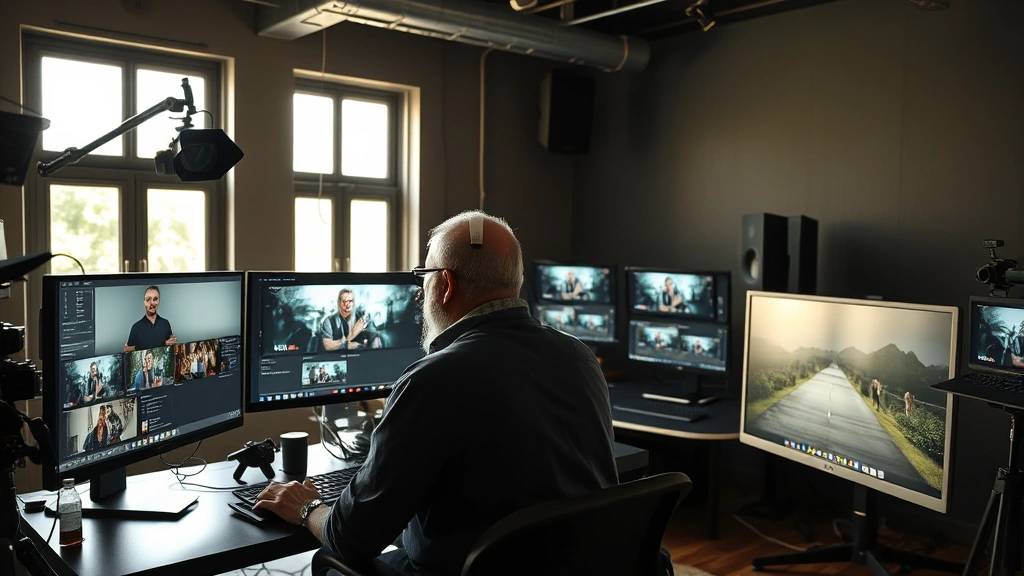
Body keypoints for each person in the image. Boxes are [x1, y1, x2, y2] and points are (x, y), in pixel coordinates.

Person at [254, 211, 618, 575]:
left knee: (328, 560)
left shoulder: (431, 380)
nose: (421, 290)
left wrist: (307, 507)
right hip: (583, 566)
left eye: (423, 277)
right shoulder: (580, 357)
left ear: (445, 284)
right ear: (516, 280)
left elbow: (350, 538)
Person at [125, 286, 176, 352]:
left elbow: (170, 349)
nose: (152, 303)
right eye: (148, 299)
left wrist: (171, 344)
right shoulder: (136, 328)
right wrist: (128, 350)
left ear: (159, 301)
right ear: (144, 302)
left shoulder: (165, 324)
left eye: (155, 299)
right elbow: (129, 352)